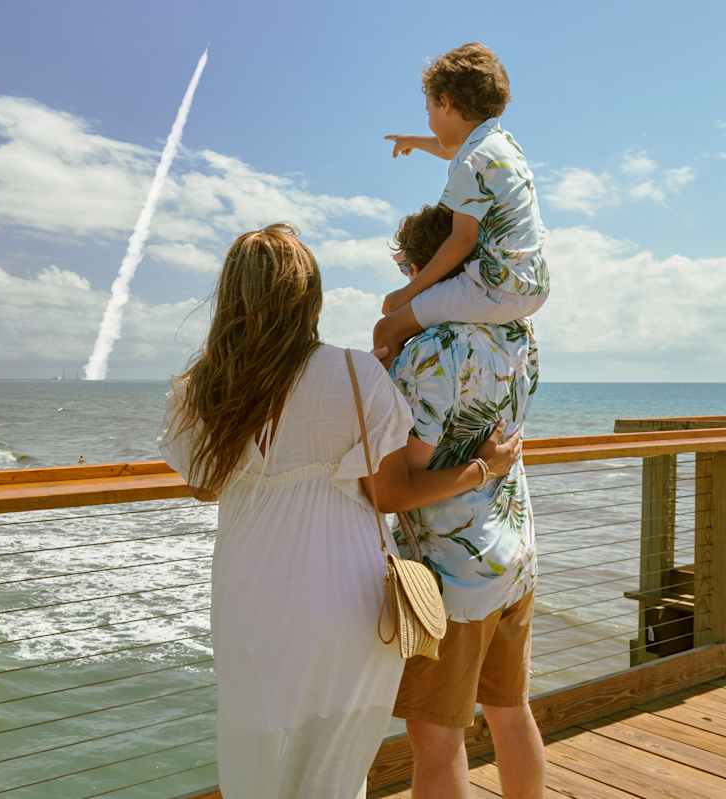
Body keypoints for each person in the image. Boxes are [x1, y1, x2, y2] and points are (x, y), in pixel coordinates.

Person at [158, 224, 521, 799]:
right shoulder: (357, 373)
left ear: (231, 296)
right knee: (333, 765)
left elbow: (206, 487)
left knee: (256, 750)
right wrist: (482, 469)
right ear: (310, 297)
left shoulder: (199, 387)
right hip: (345, 598)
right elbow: (389, 489)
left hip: (250, 592)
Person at [387, 206, 544, 799]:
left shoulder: (430, 350)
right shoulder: (520, 334)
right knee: (510, 710)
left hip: (450, 577)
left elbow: (405, 475)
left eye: (407, 267)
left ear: (430, 271)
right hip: (512, 555)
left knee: (434, 739)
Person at [376, 42, 549, 365]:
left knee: (387, 328)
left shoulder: (471, 161)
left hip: (494, 286)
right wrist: (411, 140)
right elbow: (448, 147)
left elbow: (462, 239)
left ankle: (388, 414)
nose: (428, 118)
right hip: (532, 284)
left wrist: (407, 293)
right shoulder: (500, 144)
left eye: (428, 110)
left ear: (445, 101)